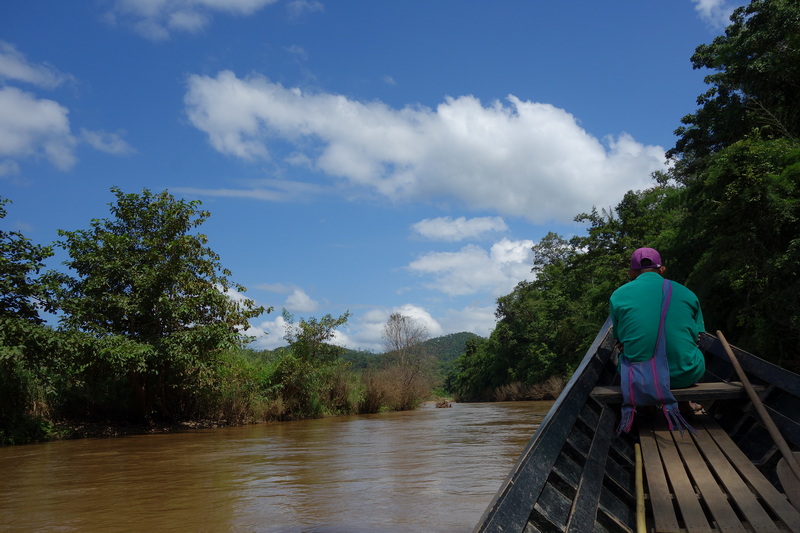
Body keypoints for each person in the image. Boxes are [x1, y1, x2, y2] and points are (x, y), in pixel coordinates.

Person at [610, 247, 705, 390]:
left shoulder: (618, 295)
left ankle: (645, 408)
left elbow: (620, 340)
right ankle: (684, 405)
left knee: (626, 358)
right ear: (662, 269)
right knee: (690, 353)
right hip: (685, 375)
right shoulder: (688, 293)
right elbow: (697, 337)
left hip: (640, 380)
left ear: (631, 273)